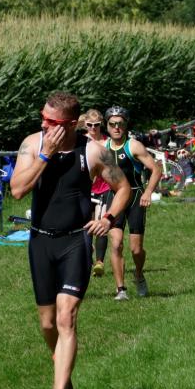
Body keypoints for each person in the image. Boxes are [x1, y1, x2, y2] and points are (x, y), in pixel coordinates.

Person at [10, 91, 131, 389]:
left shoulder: (92, 151)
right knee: (48, 323)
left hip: (75, 242)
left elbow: (123, 188)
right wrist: (45, 156)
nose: (44, 124)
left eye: (51, 121)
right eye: (43, 118)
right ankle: (61, 363)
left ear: (71, 124)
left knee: (66, 318)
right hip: (41, 242)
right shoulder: (32, 145)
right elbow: (17, 190)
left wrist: (108, 219)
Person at [103, 106, 162, 301]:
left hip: (135, 197)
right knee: (116, 243)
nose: (116, 127)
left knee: (136, 249)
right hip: (114, 198)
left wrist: (148, 192)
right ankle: (121, 289)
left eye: (120, 124)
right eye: (112, 124)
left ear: (126, 125)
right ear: (107, 126)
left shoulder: (134, 146)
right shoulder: (102, 148)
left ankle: (138, 274)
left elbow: (156, 169)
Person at [83, 109, 110, 277]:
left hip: (105, 187)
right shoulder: (81, 141)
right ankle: (87, 258)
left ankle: (99, 262)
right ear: (85, 125)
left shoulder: (107, 142)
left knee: (101, 224)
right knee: (86, 226)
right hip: (85, 189)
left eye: (97, 125)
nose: (93, 128)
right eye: (90, 125)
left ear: (101, 125)